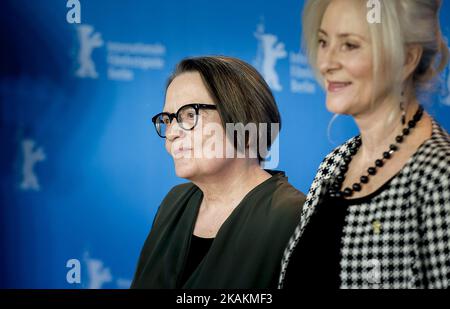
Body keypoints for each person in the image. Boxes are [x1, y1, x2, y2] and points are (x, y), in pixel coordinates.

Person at [279, 0, 450, 289]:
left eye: (350, 45)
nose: (326, 63)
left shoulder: (438, 176)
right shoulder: (333, 165)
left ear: (406, 59)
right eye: (323, 42)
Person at [131, 56, 306, 288]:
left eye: (190, 115)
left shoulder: (294, 218)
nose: (171, 132)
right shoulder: (174, 202)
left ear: (244, 122)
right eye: (168, 119)